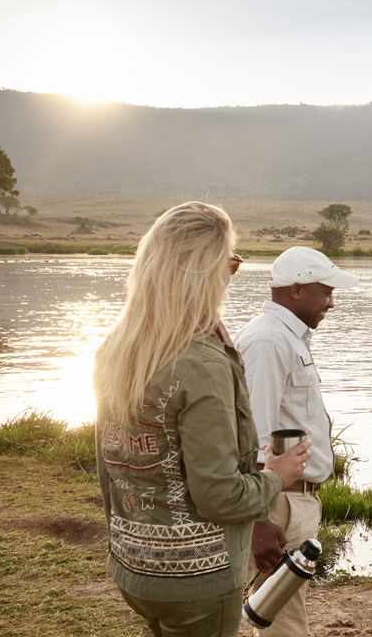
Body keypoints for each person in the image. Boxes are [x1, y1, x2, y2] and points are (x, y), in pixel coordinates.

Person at [94, 201, 311, 637]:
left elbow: (113, 469)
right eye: (230, 262)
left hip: (133, 568)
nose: (230, 276)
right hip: (196, 578)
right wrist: (276, 476)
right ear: (205, 271)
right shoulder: (201, 364)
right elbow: (219, 497)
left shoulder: (118, 349)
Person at [235, 245, 358, 636]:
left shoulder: (285, 338)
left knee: (281, 616)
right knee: (281, 624)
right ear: (298, 290)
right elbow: (252, 436)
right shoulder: (269, 341)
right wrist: (258, 520)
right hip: (277, 503)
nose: (332, 303)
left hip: (289, 500)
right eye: (327, 292)